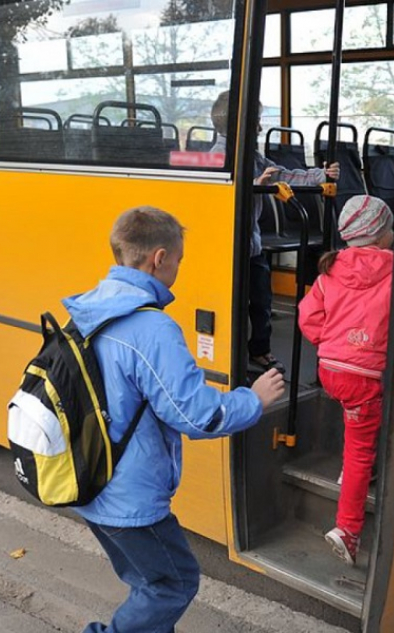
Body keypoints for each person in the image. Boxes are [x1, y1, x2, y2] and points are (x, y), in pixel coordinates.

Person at [63, 206, 285, 632]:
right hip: (130, 496)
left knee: (146, 583)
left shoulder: (90, 306)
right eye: (180, 260)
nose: (179, 268)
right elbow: (195, 415)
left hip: (89, 478)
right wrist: (252, 400)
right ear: (159, 258)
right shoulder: (152, 328)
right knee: (173, 584)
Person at [210, 90, 340, 375]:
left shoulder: (253, 155)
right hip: (228, 246)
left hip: (252, 245)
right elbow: (215, 200)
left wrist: (321, 175)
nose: (259, 127)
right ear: (235, 123)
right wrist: (253, 184)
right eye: (254, 120)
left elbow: (283, 174)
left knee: (261, 300)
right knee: (233, 302)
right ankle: (227, 355)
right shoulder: (217, 157)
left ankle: (259, 349)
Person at [297, 195, 394, 566]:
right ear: (382, 235)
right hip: (365, 375)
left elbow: (308, 319)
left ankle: (356, 471)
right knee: (360, 447)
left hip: (330, 370)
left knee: (356, 422)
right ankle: (348, 531)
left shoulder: (330, 270)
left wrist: (334, 341)